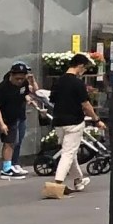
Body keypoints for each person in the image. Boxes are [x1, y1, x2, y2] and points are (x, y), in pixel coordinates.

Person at [45, 54, 95, 196]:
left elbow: (52, 99)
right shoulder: (78, 84)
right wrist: (96, 119)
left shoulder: (59, 81)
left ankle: (78, 180)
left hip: (59, 121)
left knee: (69, 151)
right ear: (80, 66)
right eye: (84, 69)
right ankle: (57, 183)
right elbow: (86, 104)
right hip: (74, 122)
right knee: (68, 153)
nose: (84, 72)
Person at [0, 61, 31, 178]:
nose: (19, 81)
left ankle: (6, 168)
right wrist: (1, 124)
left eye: (22, 78)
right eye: (17, 78)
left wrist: (29, 100)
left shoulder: (24, 84)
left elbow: (25, 93)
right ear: (11, 75)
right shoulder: (2, 88)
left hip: (12, 118)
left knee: (10, 143)